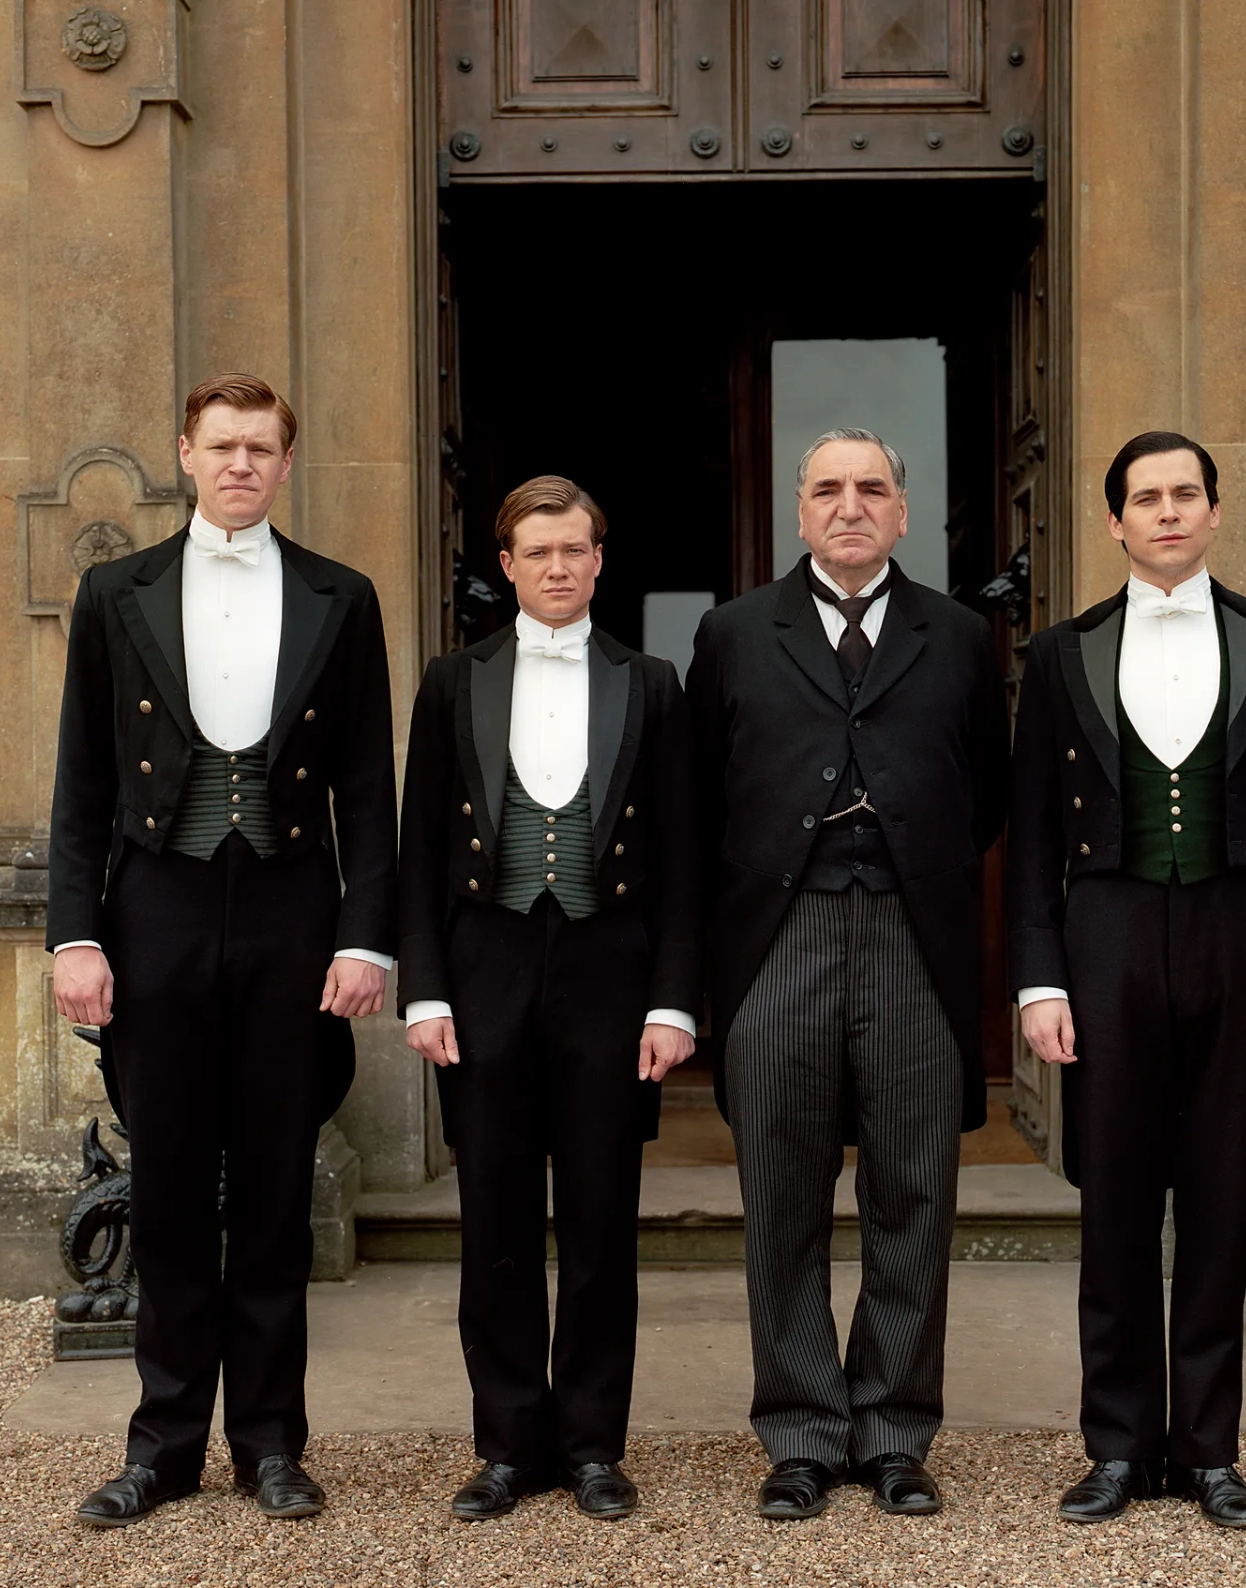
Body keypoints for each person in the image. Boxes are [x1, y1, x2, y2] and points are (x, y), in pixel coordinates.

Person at [50, 373, 399, 1526]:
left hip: (295, 912)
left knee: (274, 1196)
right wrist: (76, 936)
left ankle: (271, 1445)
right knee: (164, 1196)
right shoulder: (116, 592)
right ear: (185, 455)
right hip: (156, 908)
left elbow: (366, 787)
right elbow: (82, 786)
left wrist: (365, 938)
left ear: (285, 464)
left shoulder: (343, 597)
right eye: (223, 445)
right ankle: (161, 1448)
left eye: (262, 447)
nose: (242, 462)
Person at [1007, 430, 1246, 1529]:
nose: (1165, 511)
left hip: (1238, 938)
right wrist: (1038, 981)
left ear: (1211, 510)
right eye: (1144, 497)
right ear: (1113, 521)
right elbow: (1027, 839)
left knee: (1214, 1203)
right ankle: (1117, 1445)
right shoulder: (1058, 655)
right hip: (1100, 938)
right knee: (1112, 1205)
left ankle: (1207, 1451)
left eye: (1184, 494)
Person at [687, 427, 1011, 1520]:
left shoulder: (961, 635)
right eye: (828, 489)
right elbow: (699, 799)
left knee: (914, 1190)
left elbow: (993, 792)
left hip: (916, 942)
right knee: (781, 1193)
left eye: (872, 488)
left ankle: (894, 1432)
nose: (851, 506)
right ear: (800, 510)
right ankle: (801, 1431)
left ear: (903, 513)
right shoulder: (734, 633)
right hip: (779, 943)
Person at [397, 476, 699, 1522]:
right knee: (495, 1217)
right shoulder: (452, 681)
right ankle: (506, 1443)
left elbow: (680, 856)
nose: (560, 566)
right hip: (482, 966)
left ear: (600, 559)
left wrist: (674, 1003)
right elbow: (421, 846)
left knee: (603, 1217)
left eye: (577, 548)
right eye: (540, 551)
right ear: (508, 565)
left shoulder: (652, 682)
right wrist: (423, 990)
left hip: (612, 971)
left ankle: (593, 1444)